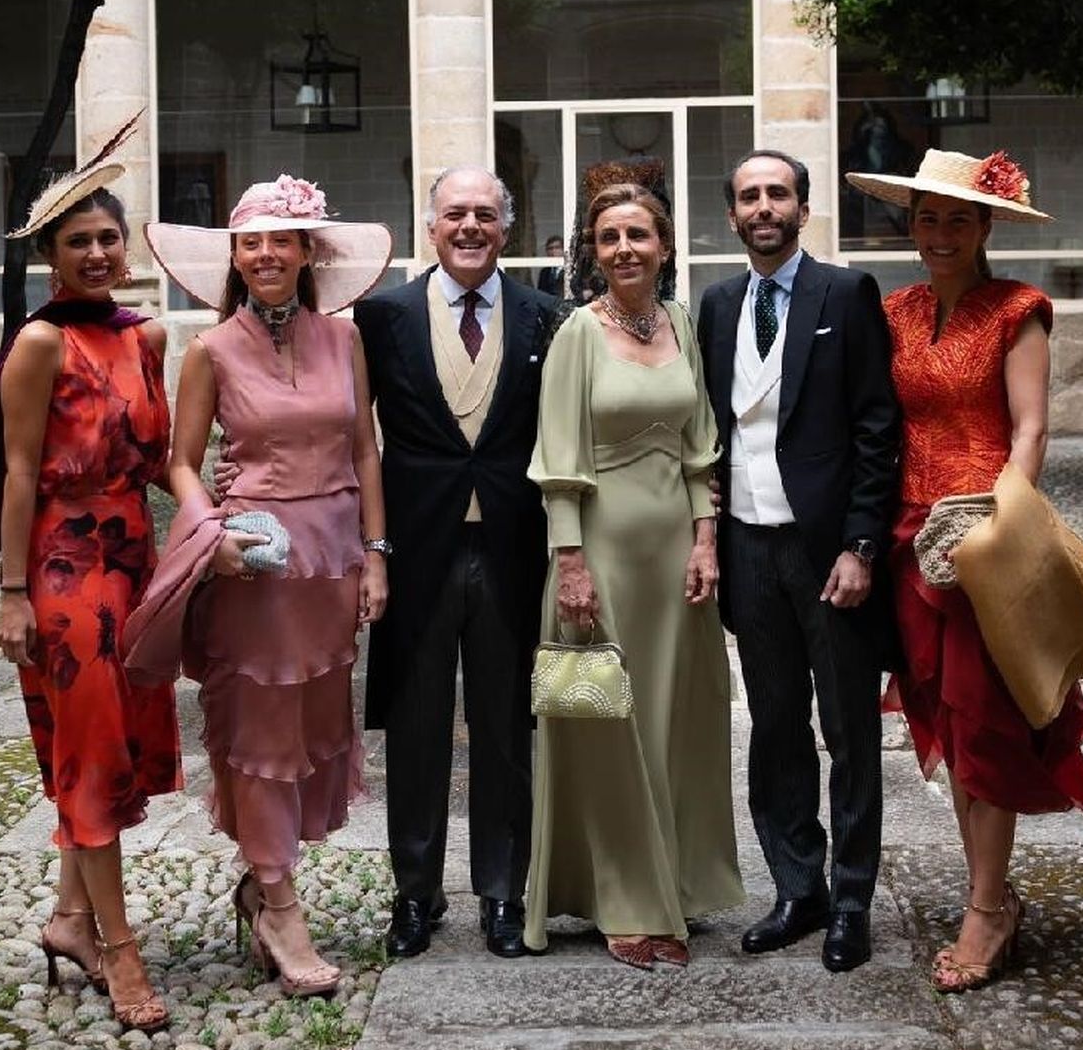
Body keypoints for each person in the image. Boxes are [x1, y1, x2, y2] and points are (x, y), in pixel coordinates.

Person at [0, 122, 180, 1033]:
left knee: (116, 751)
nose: (99, 253)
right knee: (94, 756)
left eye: (109, 237)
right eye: (79, 243)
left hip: (135, 561)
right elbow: (17, 469)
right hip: (68, 571)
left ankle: (69, 918)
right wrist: (13, 591)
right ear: (51, 257)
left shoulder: (143, 338)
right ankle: (118, 950)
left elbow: (164, 454)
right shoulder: (40, 345)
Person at [124, 176, 392, 997]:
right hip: (254, 563)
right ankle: (280, 905)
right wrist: (214, 535)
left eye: (283, 239)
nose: (268, 253)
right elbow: (178, 459)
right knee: (261, 733)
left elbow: (364, 452)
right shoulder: (211, 350)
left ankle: (262, 882)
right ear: (235, 257)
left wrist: (376, 553)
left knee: (311, 725)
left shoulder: (344, 341)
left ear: (308, 251)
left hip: (333, 561)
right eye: (252, 242)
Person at [843, 145, 1083, 993]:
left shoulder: (1016, 311)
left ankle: (987, 911)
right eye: (927, 218)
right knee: (948, 724)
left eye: (958, 218)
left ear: (987, 224)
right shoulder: (895, 311)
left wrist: (994, 532)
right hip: (908, 541)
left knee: (988, 722)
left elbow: (1029, 431)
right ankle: (990, 893)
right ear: (909, 226)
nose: (940, 233)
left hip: (985, 540)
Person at [527, 181, 743, 969]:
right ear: (594, 248)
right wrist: (572, 561)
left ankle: (679, 887)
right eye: (609, 236)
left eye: (638, 235)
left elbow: (700, 447)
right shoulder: (578, 333)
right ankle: (623, 899)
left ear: (665, 247)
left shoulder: (679, 322)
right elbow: (557, 462)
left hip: (676, 564)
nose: (624, 249)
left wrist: (706, 541)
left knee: (678, 723)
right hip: (603, 556)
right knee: (610, 728)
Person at [698, 150, 900, 973]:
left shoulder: (845, 295)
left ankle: (852, 899)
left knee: (847, 731)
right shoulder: (715, 305)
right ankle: (796, 888)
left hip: (826, 552)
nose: (763, 207)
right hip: (749, 546)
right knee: (775, 726)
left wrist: (861, 545)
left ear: (803, 209)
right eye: (748, 196)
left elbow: (877, 430)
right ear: (733, 217)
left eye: (777, 193)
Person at [355, 168, 557, 961]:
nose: (469, 226)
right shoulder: (382, 317)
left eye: (485, 214)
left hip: (514, 546)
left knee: (509, 726)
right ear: (429, 227)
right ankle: (416, 893)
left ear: (506, 227)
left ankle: (504, 894)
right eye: (454, 215)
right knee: (414, 727)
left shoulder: (547, 316)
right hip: (417, 548)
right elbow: (350, 435)